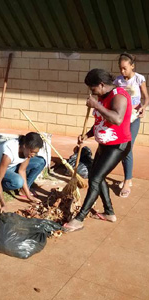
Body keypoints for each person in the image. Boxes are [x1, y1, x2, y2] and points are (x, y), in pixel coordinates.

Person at [63, 68, 132, 232]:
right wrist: (86, 135)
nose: (91, 92)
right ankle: (109, 212)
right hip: (104, 145)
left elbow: (116, 118)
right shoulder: (102, 97)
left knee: (94, 179)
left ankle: (79, 219)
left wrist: (96, 105)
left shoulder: (119, 95)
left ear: (101, 84)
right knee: (97, 177)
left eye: (93, 88)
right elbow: (100, 121)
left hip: (118, 146)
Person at [114, 53, 149, 197]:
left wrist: (143, 108)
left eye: (125, 68)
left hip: (134, 119)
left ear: (132, 66)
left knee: (127, 147)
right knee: (122, 147)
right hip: (122, 119)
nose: (123, 72)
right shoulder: (118, 81)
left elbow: (146, 98)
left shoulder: (139, 79)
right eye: (120, 69)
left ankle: (127, 181)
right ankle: (128, 176)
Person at [0, 132, 45, 213]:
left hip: (12, 166)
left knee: (40, 162)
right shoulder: (9, 152)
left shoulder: (26, 152)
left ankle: (23, 190)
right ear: (25, 146)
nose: (33, 155)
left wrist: (29, 196)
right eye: (32, 152)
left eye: (35, 153)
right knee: (18, 181)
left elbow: (22, 170)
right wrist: (3, 204)